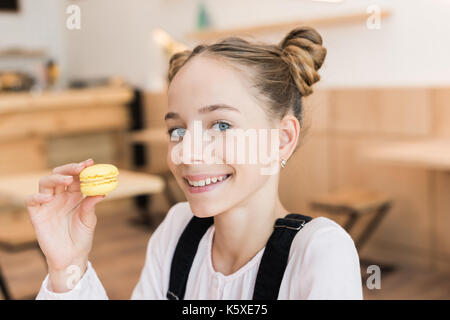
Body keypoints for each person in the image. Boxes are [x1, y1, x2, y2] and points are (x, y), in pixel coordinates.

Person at [26, 26, 363, 299]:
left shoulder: (318, 253)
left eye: (221, 125)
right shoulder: (177, 229)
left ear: (282, 139)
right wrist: (68, 267)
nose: (185, 152)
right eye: (177, 129)